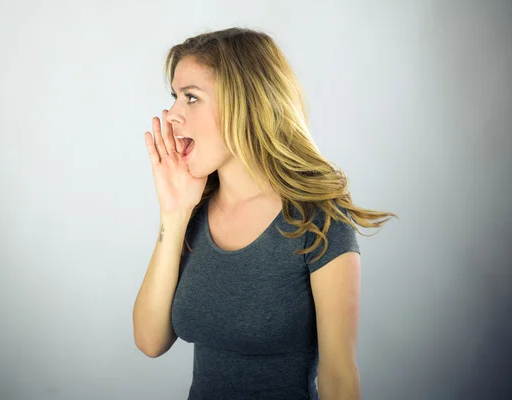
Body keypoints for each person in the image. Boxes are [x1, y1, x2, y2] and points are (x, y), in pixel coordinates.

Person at [134, 27, 398, 400]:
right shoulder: (193, 213)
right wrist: (173, 214)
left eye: (191, 98)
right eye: (175, 97)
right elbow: (149, 340)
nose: (172, 114)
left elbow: (339, 377)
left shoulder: (318, 221)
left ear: (244, 102)